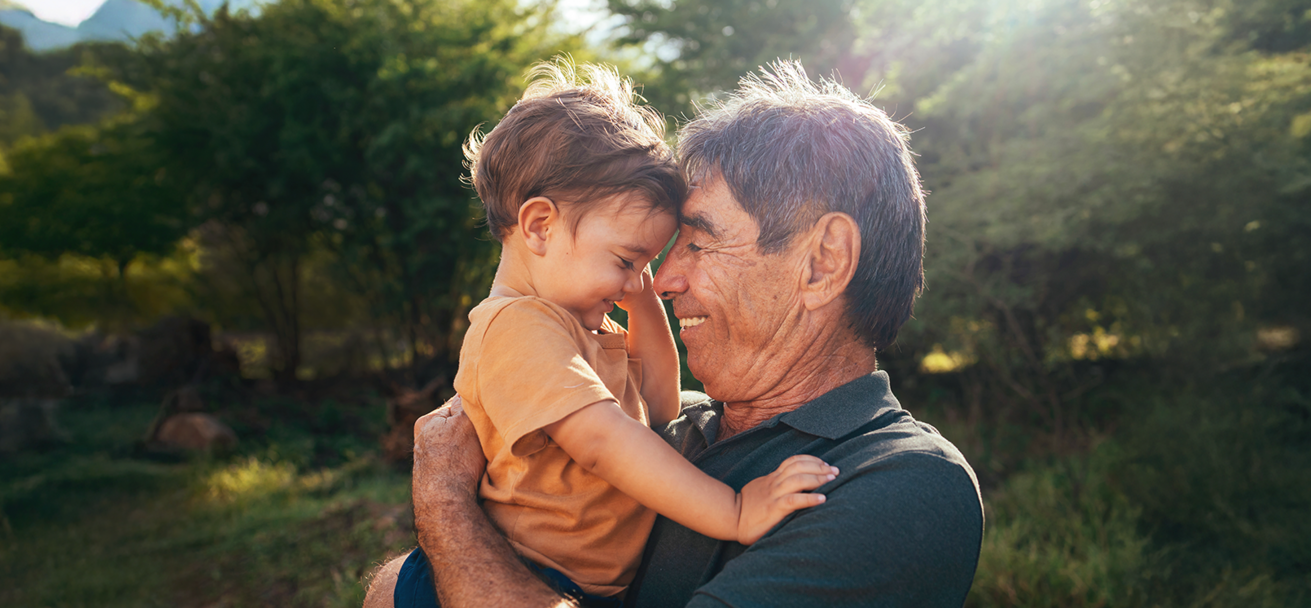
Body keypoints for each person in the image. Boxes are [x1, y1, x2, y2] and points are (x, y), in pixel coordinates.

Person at [366, 59, 984, 608]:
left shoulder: (902, 484)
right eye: (643, 255)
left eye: (699, 239)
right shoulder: (679, 426)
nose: (659, 281)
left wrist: (444, 506)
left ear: (822, 262)